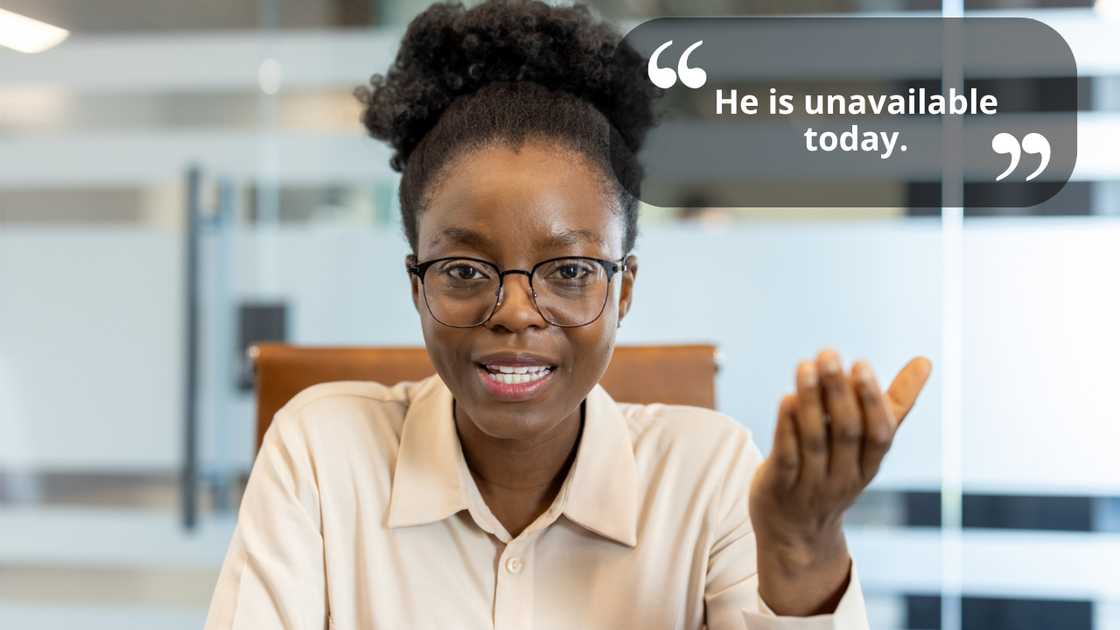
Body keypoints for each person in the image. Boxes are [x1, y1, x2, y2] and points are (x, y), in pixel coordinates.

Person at [203, 1, 932, 628]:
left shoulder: (709, 476)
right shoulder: (321, 456)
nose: (517, 312)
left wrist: (802, 558)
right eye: (463, 270)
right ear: (416, 284)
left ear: (624, 290)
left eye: (571, 270)